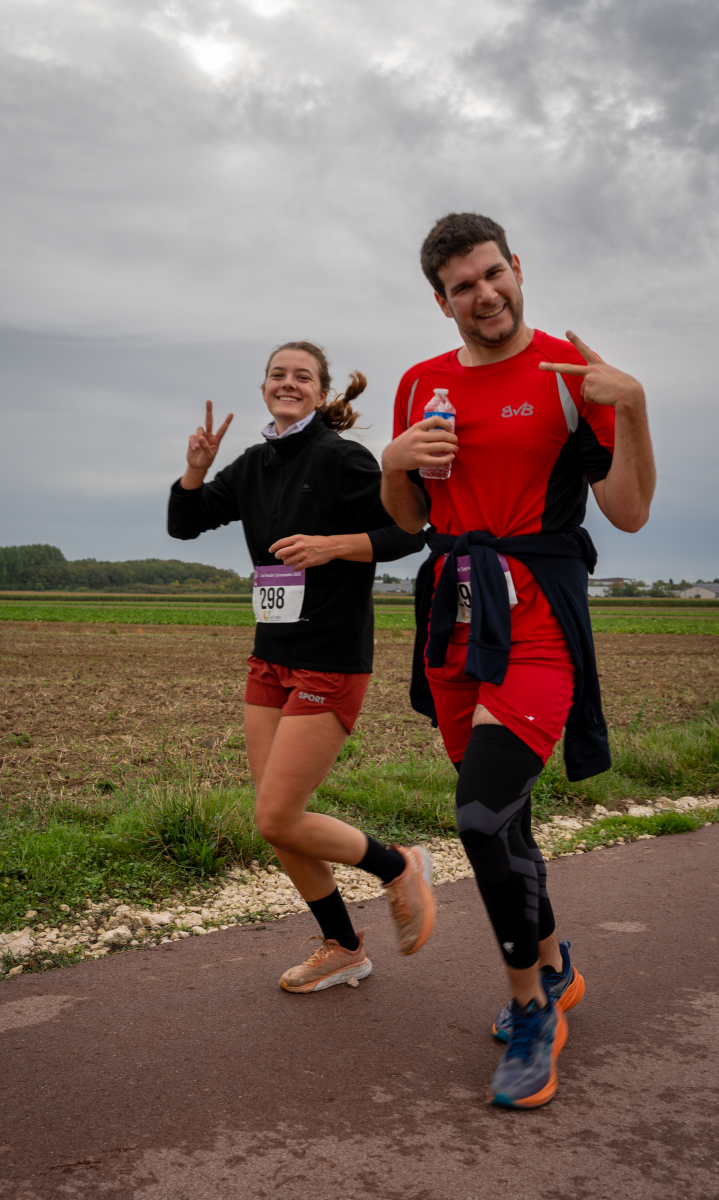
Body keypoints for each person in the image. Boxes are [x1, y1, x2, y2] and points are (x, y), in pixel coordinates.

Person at [381, 213, 655, 1108]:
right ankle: (555, 964)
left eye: (492, 273)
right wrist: (392, 461)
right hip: (455, 623)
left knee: (477, 817)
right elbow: (411, 520)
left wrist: (632, 406)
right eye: (462, 286)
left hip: (539, 623)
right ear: (442, 301)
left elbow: (630, 511)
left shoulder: (573, 376)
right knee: (509, 824)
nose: (484, 294)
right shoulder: (420, 382)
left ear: (517, 268)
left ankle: (532, 1008)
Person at [168, 340, 435, 992]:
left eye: (302, 376)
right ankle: (343, 947)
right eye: (277, 374)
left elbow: (410, 531)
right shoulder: (255, 463)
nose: (288, 383)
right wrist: (196, 471)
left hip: (329, 659)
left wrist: (332, 546)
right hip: (271, 657)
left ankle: (398, 866)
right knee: (278, 823)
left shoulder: (341, 458)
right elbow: (185, 524)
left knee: (277, 816)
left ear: (320, 391)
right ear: (265, 387)